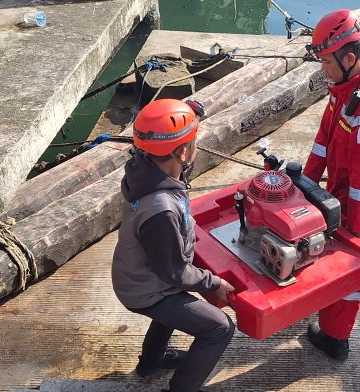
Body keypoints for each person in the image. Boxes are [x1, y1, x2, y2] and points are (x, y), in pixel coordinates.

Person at [111, 99, 236, 392]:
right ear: (182, 151)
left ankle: (151, 361)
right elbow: (174, 273)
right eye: (193, 142)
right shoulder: (161, 210)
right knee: (219, 328)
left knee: (176, 302)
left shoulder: (145, 170)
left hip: (137, 275)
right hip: (145, 288)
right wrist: (212, 282)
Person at [303, 9, 360, 360]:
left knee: (349, 272)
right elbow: (323, 141)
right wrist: (303, 185)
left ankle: (335, 337)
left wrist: (357, 230)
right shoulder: (343, 91)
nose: (322, 69)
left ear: (350, 58)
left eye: (326, 62)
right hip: (338, 195)